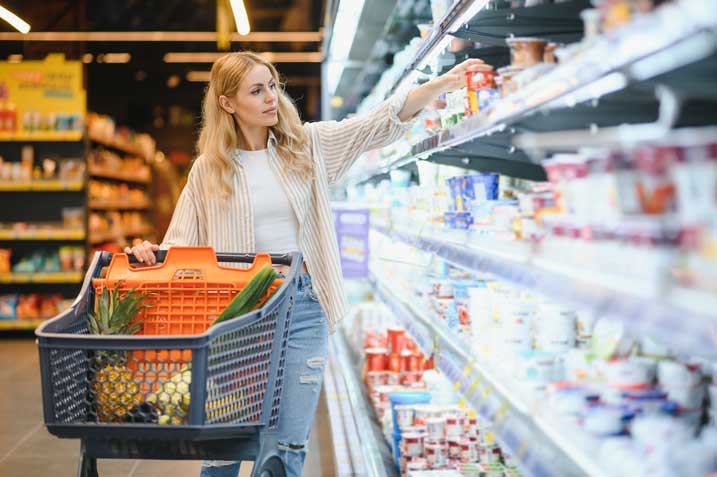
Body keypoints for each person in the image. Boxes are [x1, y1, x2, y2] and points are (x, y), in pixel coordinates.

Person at [125, 51, 491, 477]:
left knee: (287, 445)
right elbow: (181, 246)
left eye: (273, 86)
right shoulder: (208, 171)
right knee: (223, 442)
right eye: (257, 90)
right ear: (227, 103)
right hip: (236, 315)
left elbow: (374, 124)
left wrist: (438, 85)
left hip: (302, 306)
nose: (272, 98)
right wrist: (150, 255)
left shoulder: (307, 146)